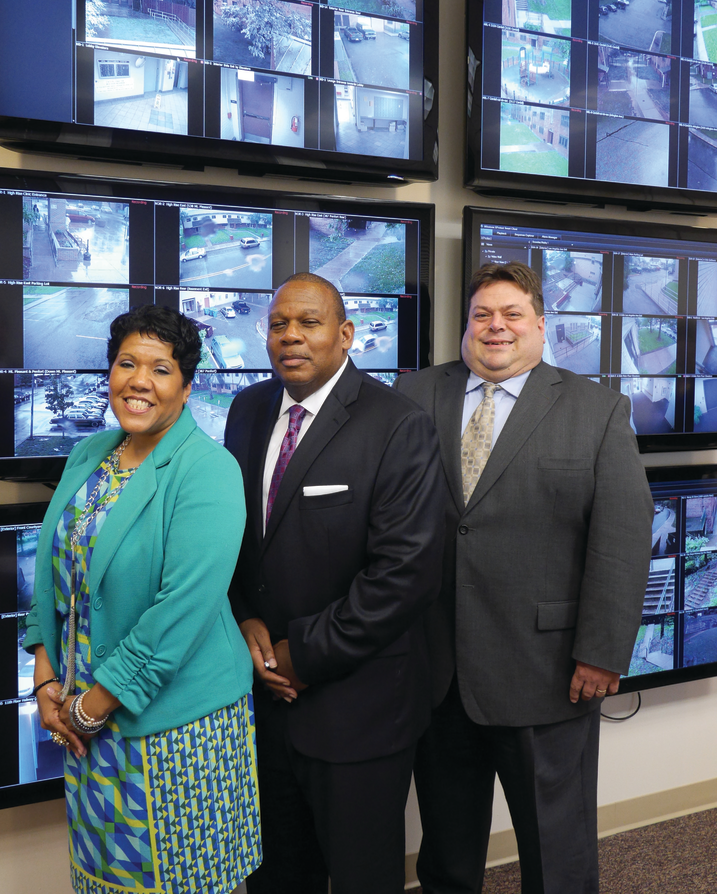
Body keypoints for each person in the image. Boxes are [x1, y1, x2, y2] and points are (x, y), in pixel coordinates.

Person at [394, 262, 653, 894]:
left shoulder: (595, 408)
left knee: (556, 850)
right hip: (436, 668)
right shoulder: (413, 395)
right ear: (466, 327)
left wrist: (601, 651)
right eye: (482, 314)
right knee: (447, 848)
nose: (496, 326)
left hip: (548, 669)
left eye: (512, 314)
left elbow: (622, 539)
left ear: (541, 324)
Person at [24, 305, 261, 894]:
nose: (139, 380)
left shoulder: (208, 469)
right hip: (84, 723)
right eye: (127, 363)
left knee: (181, 883)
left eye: (160, 368)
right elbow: (56, 579)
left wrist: (91, 707)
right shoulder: (89, 455)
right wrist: (46, 679)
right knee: (105, 881)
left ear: (186, 385)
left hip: (175, 729)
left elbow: (179, 612)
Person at [224, 272, 443, 894]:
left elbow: (406, 574)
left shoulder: (397, 424)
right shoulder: (247, 410)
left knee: (360, 879)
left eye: (309, 323)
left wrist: (300, 654)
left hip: (358, 711)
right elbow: (233, 538)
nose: (290, 337)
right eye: (277, 324)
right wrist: (245, 622)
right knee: (274, 877)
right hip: (262, 701)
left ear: (345, 335)